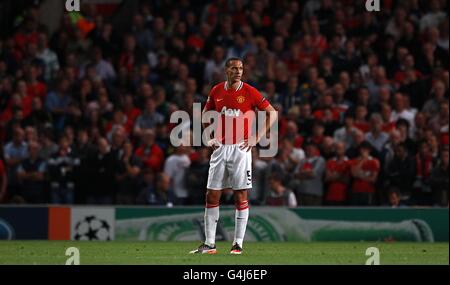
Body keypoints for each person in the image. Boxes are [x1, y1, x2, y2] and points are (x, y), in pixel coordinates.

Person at [190, 58, 277, 255]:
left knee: (240, 194)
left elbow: (272, 113)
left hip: (241, 148)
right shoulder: (217, 90)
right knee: (212, 194)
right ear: (226, 70)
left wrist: (257, 137)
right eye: (234, 68)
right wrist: (209, 137)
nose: (238, 71)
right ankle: (210, 244)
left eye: (241, 68)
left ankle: (237, 244)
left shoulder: (249, 91)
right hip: (220, 148)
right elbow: (205, 114)